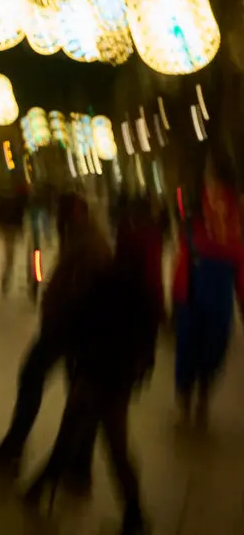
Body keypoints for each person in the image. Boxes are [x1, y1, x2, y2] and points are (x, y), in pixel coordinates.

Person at [23, 201, 161, 534]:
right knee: (114, 446)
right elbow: (147, 346)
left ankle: (44, 486)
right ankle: (131, 513)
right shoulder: (145, 295)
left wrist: (75, 352)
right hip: (119, 381)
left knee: (78, 432)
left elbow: (81, 323)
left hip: (96, 375)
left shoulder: (106, 281)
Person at [0, 193, 112, 482]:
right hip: (76, 330)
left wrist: (52, 303)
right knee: (74, 394)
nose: (56, 220)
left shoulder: (86, 243)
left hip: (68, 329)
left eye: (60, 213)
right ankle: (78, 467)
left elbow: (78, 288)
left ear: (73, 212)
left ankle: (18, 448)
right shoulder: (85, 237)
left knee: (35, 377)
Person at [171, 169, 244, 426]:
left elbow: (239, 262)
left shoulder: (233, 222)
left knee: (211, 347)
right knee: (192, 348)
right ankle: (189, 400)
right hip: (195, 290)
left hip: (211, 292)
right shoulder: (194, 219)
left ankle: (197, 396)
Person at [0, 180, 29, 297]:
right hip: (11, 231)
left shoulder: (4, 198)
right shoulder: (20, 203)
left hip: (1, 228)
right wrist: (20, 231)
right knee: (9, 257)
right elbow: (20, 219)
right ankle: (5, 280)